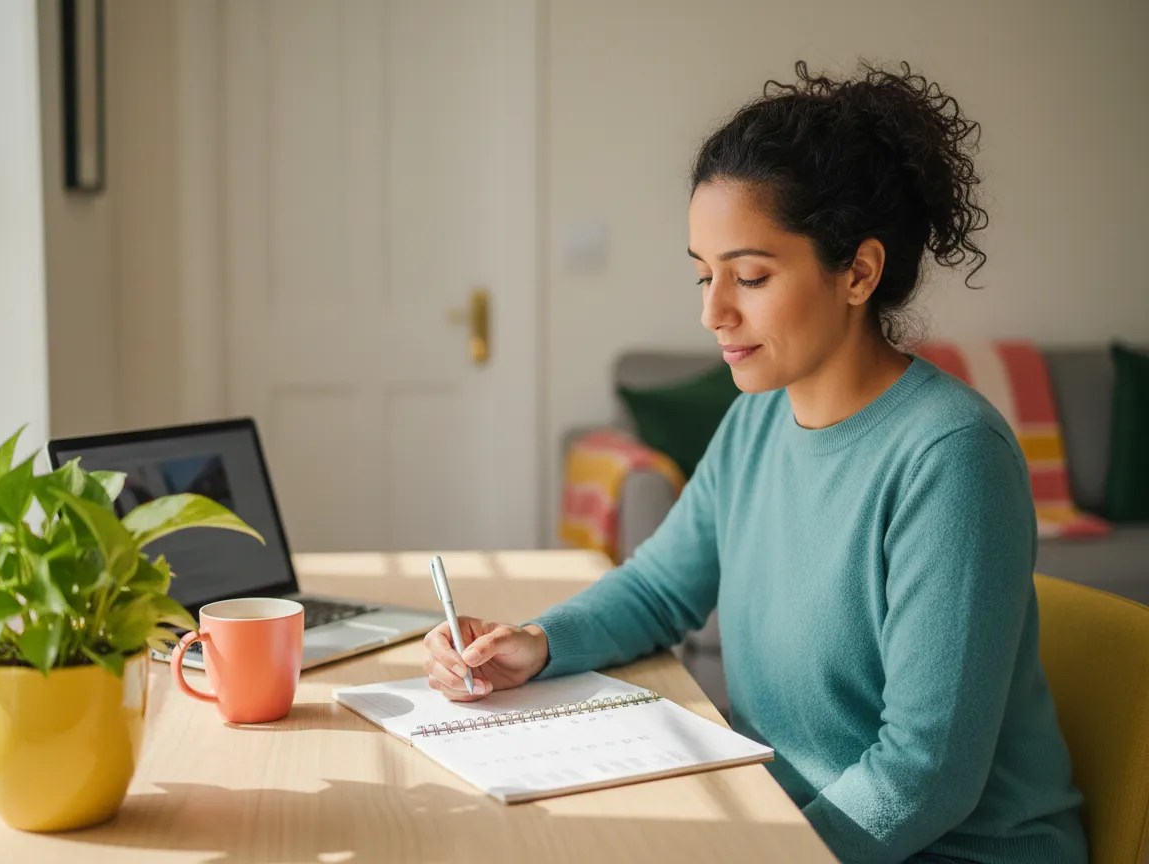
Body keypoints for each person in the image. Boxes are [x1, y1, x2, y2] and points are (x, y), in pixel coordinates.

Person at [422, 60, 1087, 864]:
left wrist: (761, 851)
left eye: (750, 276)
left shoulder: (951, 460)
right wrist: (536, 643)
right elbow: (662, 588)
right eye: (704, 275)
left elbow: (925, 776)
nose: (712, 311)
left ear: (859, 272)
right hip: (789, 821)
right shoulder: (757, 420)